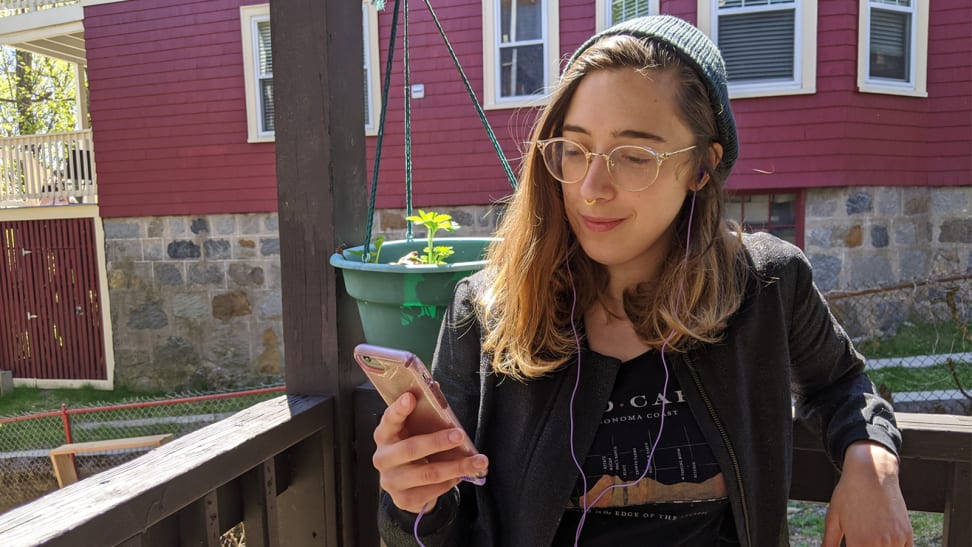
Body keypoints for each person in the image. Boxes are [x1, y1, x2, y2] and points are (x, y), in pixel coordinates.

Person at [372, 15, 913, 547]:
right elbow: (445, 521)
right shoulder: (489, 308)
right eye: (575, 149)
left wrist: (872, 459)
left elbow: (841, 383)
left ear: (702, 166)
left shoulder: (766, 284)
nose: (592, 187)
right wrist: (412, 500)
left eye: (634, 156)